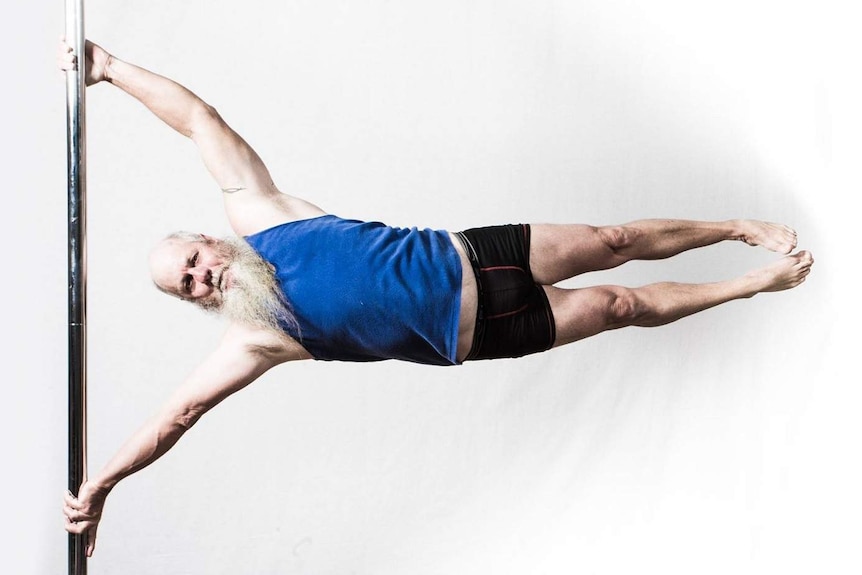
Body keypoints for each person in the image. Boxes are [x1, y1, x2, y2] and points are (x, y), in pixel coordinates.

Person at [58, 39, 813, 556]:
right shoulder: (256, 335)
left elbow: (199, 120)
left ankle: (736, 226)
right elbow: (175, 415)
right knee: (622, 305)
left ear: (207, 239)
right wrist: (101, 484)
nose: (199, 278)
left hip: (474, 252)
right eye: (185, 286)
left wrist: (111, 68)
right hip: (484, 332)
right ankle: (754, 283)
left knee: (613, 238)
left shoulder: (261, 214)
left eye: (191, 260)